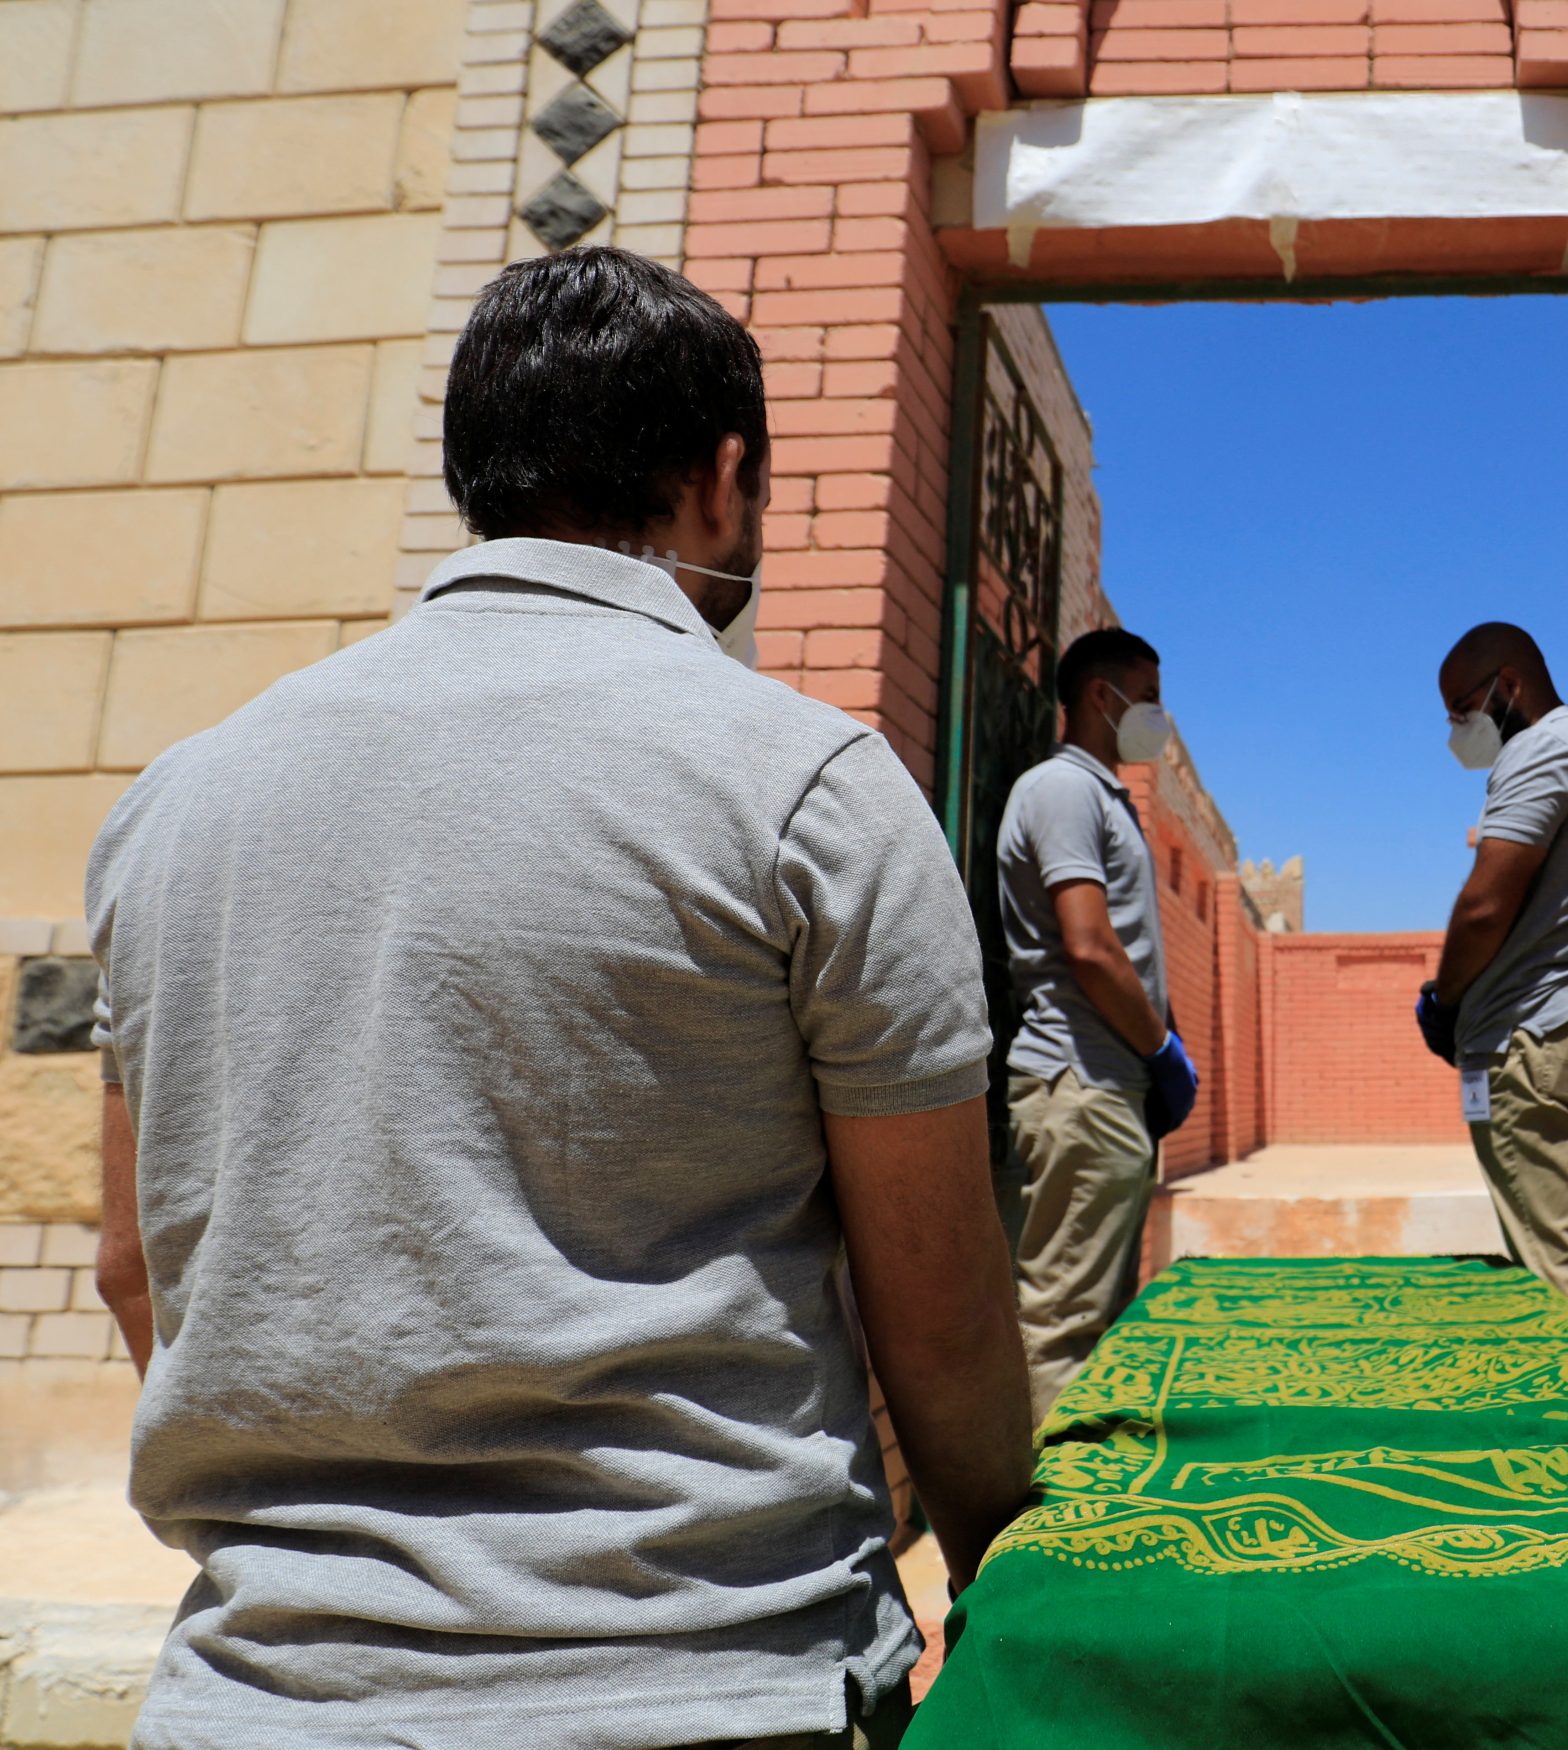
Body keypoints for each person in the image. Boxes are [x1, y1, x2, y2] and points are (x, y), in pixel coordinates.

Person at [85, 247, 1033, 1750]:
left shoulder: (175, 805)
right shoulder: (809, 787)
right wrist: (1002, 1566)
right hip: (716, 1688)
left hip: (260, 1701)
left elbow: (135, 1266)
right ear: (726, 479)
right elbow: (940, 1308)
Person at [1415, 623, 1568, 1345]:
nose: (1458, 728)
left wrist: (1448, 1000)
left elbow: (1486, 902)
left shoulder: (1542, 749)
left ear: (1509, 685)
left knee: (1556, 1285)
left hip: (1533, 1038)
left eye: (1464, 707)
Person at [997, 626, 1199, 1418]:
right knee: (1064, 1325)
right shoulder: (1063, 791)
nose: (1157, 715)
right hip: (1080, 1079)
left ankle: (1094, 1512)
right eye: (1147, 698)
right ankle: (1047, 1526)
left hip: (1108, 1089)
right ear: (1099, 697)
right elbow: (1088, 945)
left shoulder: (1102, 796)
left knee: (1102, 1324)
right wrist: (1159, 1046)